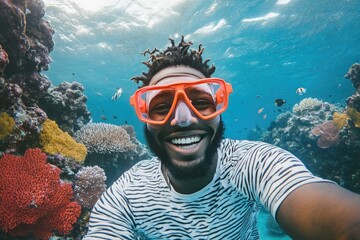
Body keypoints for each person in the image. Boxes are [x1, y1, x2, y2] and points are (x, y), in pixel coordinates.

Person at [84, 36, 360, 239]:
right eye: (160, 107)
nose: (183, 119)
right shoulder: (126, 194)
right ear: (145, 120)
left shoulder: (254, 162)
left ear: (219, 111)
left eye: (200, 102)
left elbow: (335, 218)